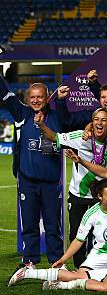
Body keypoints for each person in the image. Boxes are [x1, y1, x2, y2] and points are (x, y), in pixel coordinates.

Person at [8, 179, 107, 288]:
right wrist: (63, 259)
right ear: (100, 197)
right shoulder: (91, 214)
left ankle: (55, 284)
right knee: (82, 275)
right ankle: (29, 273)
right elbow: (79, 240)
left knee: (103, 281)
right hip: (99, 255)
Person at [36, 108, 107, 267]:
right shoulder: (80, 137)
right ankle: (79, 266)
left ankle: (96, 265)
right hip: (78, 195)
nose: (99, 123)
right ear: (92, 122)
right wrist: (41, 124)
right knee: (77, 232)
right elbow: (54, 137)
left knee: (99, 232)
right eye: (96, 120)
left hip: (100, 196)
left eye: (103, 120)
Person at [0, 77, 64, 267]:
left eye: (40, 97)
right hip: (27, 182)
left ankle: (56, 262)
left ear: (47, 98)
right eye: (33, 97)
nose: (36, 100)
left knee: (53, 226)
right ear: (28, 99)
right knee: (29, 225)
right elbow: (4, 93)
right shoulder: (22, 114)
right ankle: (30, 261)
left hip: (51, 182)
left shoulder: (56, 117)